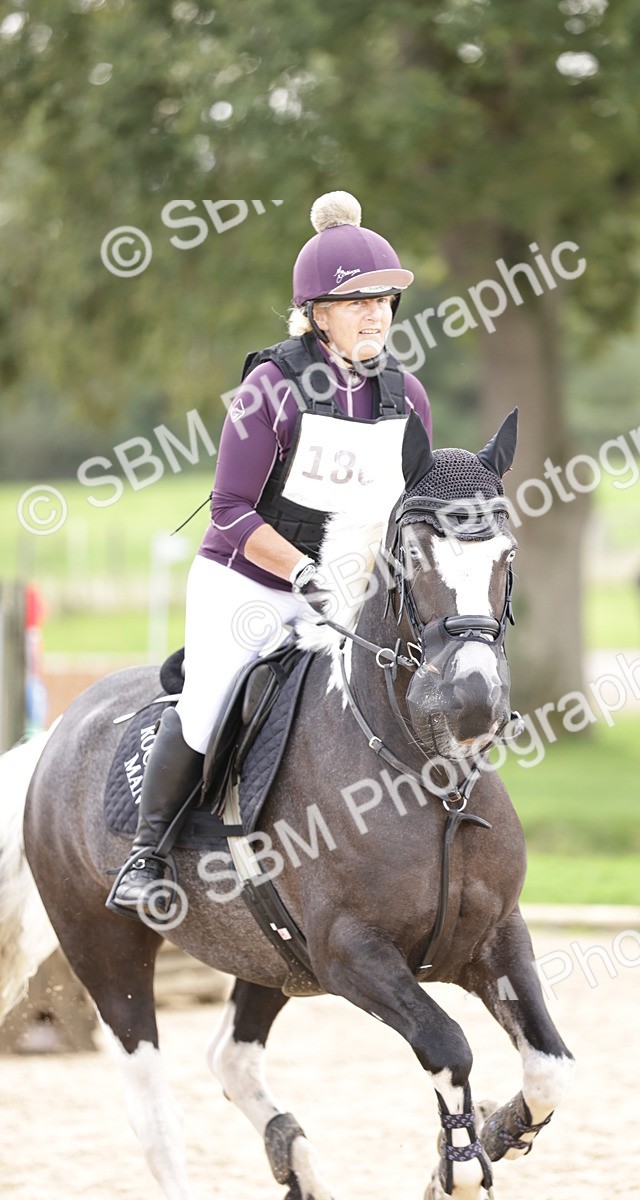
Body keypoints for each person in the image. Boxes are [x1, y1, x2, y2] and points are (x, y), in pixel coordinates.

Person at [108, 191, 432, 915]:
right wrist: (303, 571)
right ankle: (147, 854)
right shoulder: (271, 387)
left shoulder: (406, 396)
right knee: (208, 699)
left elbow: (407, 502)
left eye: (383, 301)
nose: (376, 314)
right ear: (318, 314)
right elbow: (229, 509)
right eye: (358, 303)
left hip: (349, 586)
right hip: (248, 578)